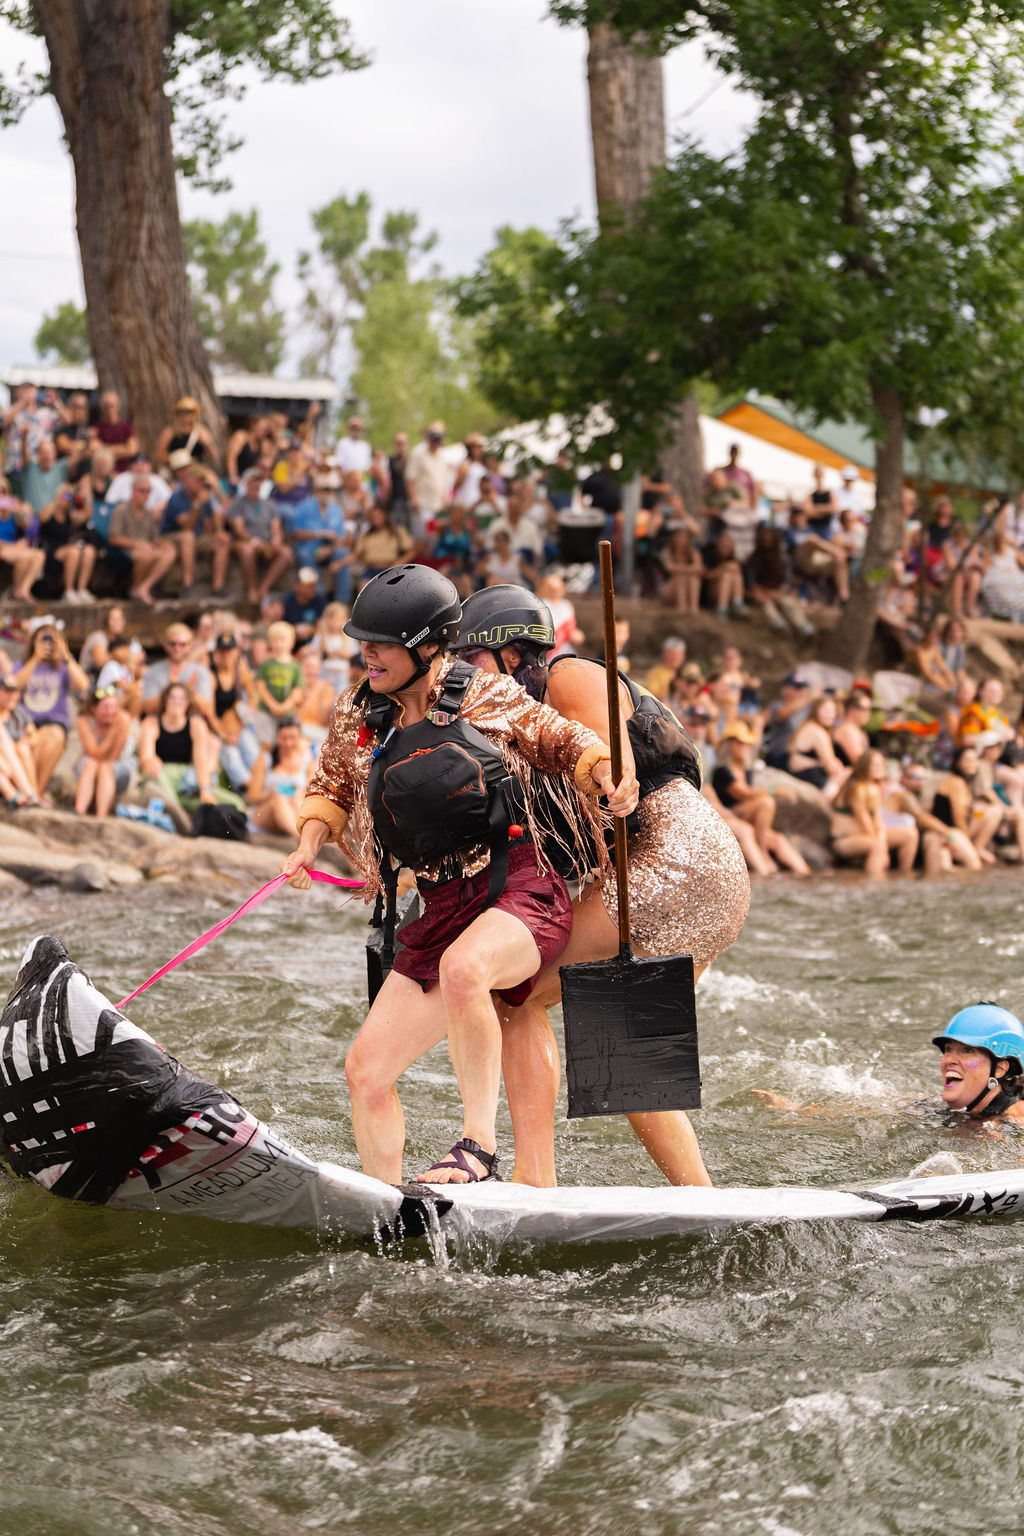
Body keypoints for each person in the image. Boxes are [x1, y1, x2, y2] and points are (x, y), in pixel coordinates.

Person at [280, 566, 632, 1187]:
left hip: (520, 892)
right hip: (441, 907)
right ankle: (386, 1205)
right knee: (365, 1070)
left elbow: (561, 739)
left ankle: (478, 1149)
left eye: (381, 643)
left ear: (428, 646)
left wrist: (605, 771)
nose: (367, 654)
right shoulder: (357, 712)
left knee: (467, 969)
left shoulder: (486, 694)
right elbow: (330, 785)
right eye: (362, 640)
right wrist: (308, 841)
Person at [454, 584, 750, 1187]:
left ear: (513, 654)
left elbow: (612, 768)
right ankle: (703, 1201)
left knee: (517, 993)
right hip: (697, 872)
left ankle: (535, 1177)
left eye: (472, 660)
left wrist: (609, 782)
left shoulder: (568, 677)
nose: (464, 676)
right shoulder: (517, 724)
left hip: (674, 855)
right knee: (625, 1059)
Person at [755, 1003, 1024, 1126]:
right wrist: (796, 1111)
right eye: (949, 1049)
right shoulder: (940, 1108)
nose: (949, 1059)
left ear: (1000, 1069)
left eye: (966, 1050)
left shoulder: (1018, 1116)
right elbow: (870, 1111)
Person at [711, 720, 811, 875]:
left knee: (779, 840)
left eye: (746, 743)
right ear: (729, 745)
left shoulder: (746, 770)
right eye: (740, 743)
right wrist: (775, 791)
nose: (744, 747)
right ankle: (763, 855)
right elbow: (742, 793)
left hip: (749, 817)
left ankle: (806, 875)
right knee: (766, 802)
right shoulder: (722, 771)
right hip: (731, 816)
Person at [138, 682, 240, 830]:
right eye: (172, 697)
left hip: (186, 780)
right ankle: (179, 818)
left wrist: (205, 789)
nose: (176, 702)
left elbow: (200, 761)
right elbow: (146, 757)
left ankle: (185, 813)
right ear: (165, 700)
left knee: (235, 803)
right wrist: (150, 761)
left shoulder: (196, 724)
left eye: (182, 698)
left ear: (188, 702)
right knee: (157, 774)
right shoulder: (151, 723)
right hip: (161, 775)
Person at [11, 623, 90, 797]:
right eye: (43, 638)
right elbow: (14, 685)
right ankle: (33, 792)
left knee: (53, 735)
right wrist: (35, 659)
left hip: (54, 722)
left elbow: (83, 685)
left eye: (52, 639)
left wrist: (67, 655)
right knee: (32, 741)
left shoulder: (62, 667)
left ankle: (34, 792)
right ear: (34, 642)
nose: (48, 643)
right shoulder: (22, 665)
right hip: (26, 722)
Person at [886, 759, 982, 873]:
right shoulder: (902, 796)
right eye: (914, 777)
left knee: (938, 839)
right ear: (903, 778)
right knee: (936, 838)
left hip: (907, 841)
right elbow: (923, 818)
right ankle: (933, 877)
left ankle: (945, 876)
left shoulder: (914, 795)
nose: (919, 782)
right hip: (896, 842)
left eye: (923, 778)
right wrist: (950, 835)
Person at [107, 472, 177, 604]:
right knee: (144, 554)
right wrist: (137, 544)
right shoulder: (121, 510)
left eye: (148, 491)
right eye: (142, 490)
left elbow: (153, 538)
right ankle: (136, 587)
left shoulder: (148, 514)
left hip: (146, 548)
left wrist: (163, 544)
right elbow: (114, 538)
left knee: (169, 552)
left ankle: (144, 587)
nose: (145, 494)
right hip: (124, 551)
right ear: (133, 491)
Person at [930, 742, 1003, 865]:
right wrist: (967, 844)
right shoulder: (956, 783)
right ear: (958, 762)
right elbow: (959, 819)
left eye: (975, 760)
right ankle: (974, 849)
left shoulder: (967, 782)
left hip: (960, 829)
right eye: (968, 760)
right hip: (949, 831)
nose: (973, 764)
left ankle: (979, 847)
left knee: (992, 811)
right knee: (974, 864)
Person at [227, 466, 292, 602]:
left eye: (258, 481)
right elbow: (239, 530)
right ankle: (251, 589)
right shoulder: (238, 503)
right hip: (246, 541)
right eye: (252, 481)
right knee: (247, 550)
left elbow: (276, 528)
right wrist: (255, 540)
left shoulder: (270, 504)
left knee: (286, 553)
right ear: (246, 483)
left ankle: (264, 588)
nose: (255, 484)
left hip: (266, 542)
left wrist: (276, 540)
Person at [831, 749, 897, 878]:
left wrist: (882, 840)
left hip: (865, 836)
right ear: (864, 766)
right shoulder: (857, 788)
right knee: (877, 847)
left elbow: (878, 820)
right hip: (844, 840)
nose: (879, 768)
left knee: (909, 835)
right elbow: (864, 820)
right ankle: (875, 883)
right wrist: (882, 847)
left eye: (881, 764)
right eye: (875, 765)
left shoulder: (875, 787)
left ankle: (905, 875)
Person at [208, 630, 259, 793]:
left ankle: (258, 783)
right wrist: (223, 734)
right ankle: (247, 788)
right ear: (216, 653)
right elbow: (209, 713)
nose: (226, 655)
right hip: (217, 725)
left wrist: (244, 713)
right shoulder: (211, 676)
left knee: (251, 748)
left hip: (237, 722)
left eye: (230, 650)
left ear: (236, 652)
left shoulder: (240, 671)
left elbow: (253, 698)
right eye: (222, 651)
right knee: (231, 755)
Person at [246, 716, 313, 836]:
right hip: (265, 812)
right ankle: (299, 837)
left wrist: (300, 793)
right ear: (277, 737)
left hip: (293, 809)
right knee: (279, 799)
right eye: (284, 738)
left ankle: (304, 835)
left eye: (292, 738)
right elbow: (252, 796)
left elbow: (311, 795)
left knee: (296, 800)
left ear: (299, 738)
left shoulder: (306, 760)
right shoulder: (266, 758)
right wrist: (268, 795)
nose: (288, 743)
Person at [74, 686, 133, 817]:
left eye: (114, 707)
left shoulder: (123, 719)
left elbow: (113, 756)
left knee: (105, 767)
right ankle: (79, 812)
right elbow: (95, 753)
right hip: (91, 767)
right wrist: (112, 733)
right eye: (106, 707)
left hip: (116, 768)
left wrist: (114, 731)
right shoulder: (84, 721)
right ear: (94, 709)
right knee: (91, 763)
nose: (111, 711)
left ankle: (101, 817)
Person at [141, 622, 215, 723]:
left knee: (198, 723)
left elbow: (205, 709)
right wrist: (170, 689)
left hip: (191, 725)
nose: (177, 648)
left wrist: (189, 691)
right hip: (161, 725)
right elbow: (147, 707)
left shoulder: (201, 671)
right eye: (173, 644)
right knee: (149, 722)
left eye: (182, 644)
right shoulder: (153, 671)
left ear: (190, 646)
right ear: (165, 645)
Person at [786, 695, 847, 799]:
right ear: (816, 711)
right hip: (809, 777)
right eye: (826, 711)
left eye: (832, 711)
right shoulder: (818, 733)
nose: (830, 715)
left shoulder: (807, 726)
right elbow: (831, 767)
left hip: (800, 773)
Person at [254, 620, 305, 743]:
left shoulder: (295, 666)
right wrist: (273, 706)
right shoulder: (265, 664)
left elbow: (297, 691)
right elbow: (260, 687)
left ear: (291, 642)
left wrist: (284, 707)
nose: (278, 644)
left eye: (282, 640)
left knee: (285, 742)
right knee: (266, 742)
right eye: (274, 640)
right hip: (266, 711)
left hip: (287, 714)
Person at [154, 396, 218, 472]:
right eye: (181, 412)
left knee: (211, 480)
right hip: (176, 470)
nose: (184, 415)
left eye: (188, 412)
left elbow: (213, 456)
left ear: (194, 414)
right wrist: (178, 459)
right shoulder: (170, 431)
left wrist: (207, 444)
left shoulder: (201, 431)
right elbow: (159, 454)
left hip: (196, 468)